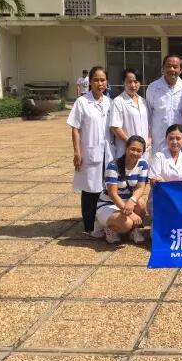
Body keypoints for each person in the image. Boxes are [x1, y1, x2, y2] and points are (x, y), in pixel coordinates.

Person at [67, 66, 114, 236]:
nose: (99, 83)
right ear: (90, 82)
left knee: (106, 188)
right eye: (96, 80)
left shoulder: (110, 102)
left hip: (107, 152)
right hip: (89, 151)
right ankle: (89, 227)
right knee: (89, 189)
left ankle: (103, 223)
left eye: (102, 80)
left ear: (106, 82)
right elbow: (75, 128)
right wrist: (77, 152)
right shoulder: (82, 102)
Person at [95, 135, 148, 244]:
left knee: (141, 204)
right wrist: (130, 214)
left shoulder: (143, 164)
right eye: (132, 149)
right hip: (109, 204)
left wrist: (132, 200)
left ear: (143, 152)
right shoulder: (113, 166)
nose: (135, 153)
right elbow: (112, 194)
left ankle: (134, 230)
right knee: (127, 223)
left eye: (139, 150)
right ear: (126, 148)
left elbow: (140, 187)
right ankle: (109, 228)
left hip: (127, 202)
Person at [146, 54, 182, 154]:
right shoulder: (153, 87)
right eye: (168, 66)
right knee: (159, 162)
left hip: (180, 138)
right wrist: (149, 136)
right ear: (163, 68)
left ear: (181, 70)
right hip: (159, 138)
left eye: (175, 67)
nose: (171, 69)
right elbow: (148, 114)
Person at [147, 124, 182, 218]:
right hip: (162, 200)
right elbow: (153, 181)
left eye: (178, 138)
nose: (174, 142)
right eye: (171, 138)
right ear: (166, 139)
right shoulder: (159, 156)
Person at [110, 68, 150, 159]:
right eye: (129, 82)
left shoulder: (143, 101)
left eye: (136, 82)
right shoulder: (118, 101)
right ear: (123, 82)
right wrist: (132, 143)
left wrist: (149, 140)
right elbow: (115, 127)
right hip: (127, 149)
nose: (133, 85)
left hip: (144, 150)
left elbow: (148, 124)